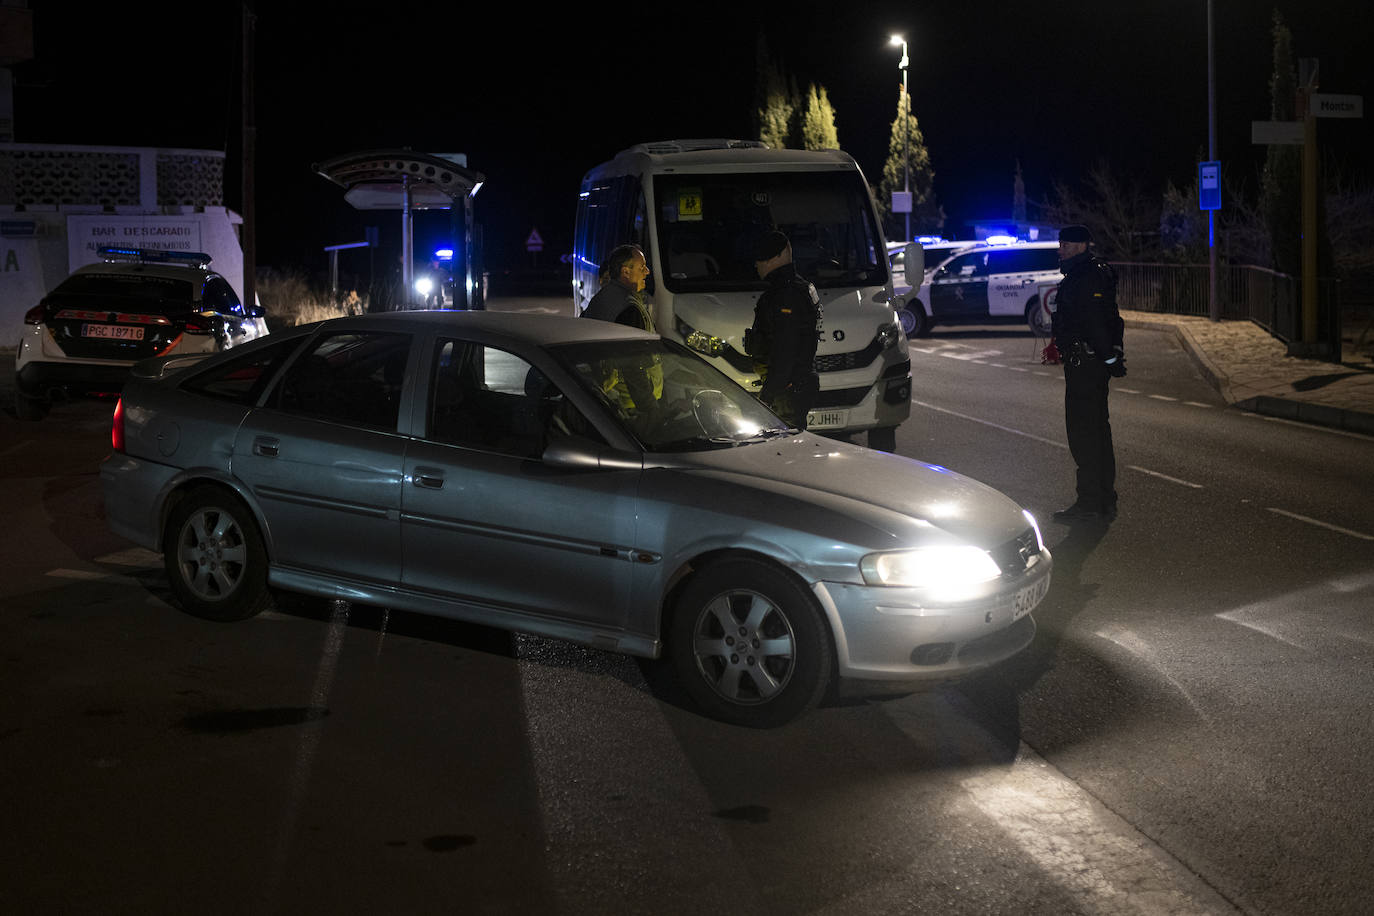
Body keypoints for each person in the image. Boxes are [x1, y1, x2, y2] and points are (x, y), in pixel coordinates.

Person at [1050, 224, 1125, 522]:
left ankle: (1090, 502)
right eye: (1061, 244)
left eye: (1066, 245)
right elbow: (1113, 319)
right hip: (1092, 363)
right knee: (1098, 430)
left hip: (1085, 366)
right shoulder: (1094, 272)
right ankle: (1104, 497)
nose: (1061, 250)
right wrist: (1112, 358)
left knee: (1083, 435)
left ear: (1081, 246)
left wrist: (1109, 359)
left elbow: (1095, 322)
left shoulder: (1085, 276)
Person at [747, 230, 822, 429]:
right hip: (793, 387)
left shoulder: (784, 295)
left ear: (777, 258)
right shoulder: (799, 288)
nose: (757, 265)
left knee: (783, 451)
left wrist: (767, 396)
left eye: (761, 259)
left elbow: (785, 351)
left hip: (786, 392)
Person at [582, 244, 654, 331]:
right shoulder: (630, 309)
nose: (647, 271)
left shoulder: (600, 296)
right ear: (626, 272)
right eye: (642, 267)